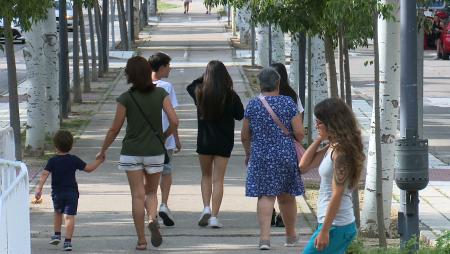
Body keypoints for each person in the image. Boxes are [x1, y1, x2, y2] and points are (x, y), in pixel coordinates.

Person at [96, 56, 179, 250]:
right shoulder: (160, 94)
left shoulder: (126, 97)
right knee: (151, 191)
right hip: (154, 151)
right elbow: (175, 121)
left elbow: (114, 129)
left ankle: (142, 241)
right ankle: (152, 218)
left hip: (131, 152)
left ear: (130, 75)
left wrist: (103, 149)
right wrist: (163, 135)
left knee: (137, 195)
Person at [241, 67, 305, 250]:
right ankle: (291, 235)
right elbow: (299, 133)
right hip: (285, 154)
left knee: (265, 195)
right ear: (278, 83)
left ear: (260, 84)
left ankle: (264, 239)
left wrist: (248, 153)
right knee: (286, 197)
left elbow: (245, 135)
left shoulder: (253, 105)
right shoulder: (287, 103)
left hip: (260, 155)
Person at [300, 98, 365, 254]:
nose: (316, 126)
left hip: (336, 225)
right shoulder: (333, 147)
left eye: (319, 123)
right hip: (335, 224)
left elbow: (337, 193)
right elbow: (303, 166)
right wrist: (320, 139)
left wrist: (325, 231)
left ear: (332, 123)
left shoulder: (341, 153)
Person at [187, 60, 244, 228]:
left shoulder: (199, 92)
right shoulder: (231, 95)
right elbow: (240, 115)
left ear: (207, 76)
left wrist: (205, 78)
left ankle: (206, 207)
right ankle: (214, 217)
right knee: (218, 179)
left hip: (204, 141)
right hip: (224, 143)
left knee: (206, 176)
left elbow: (190, 85)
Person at [34, 130, 104, 251]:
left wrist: (39, 188)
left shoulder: (52, 161)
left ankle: (56, 234)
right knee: (69, 217)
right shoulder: (74, 159)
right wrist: (99, 160)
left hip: (57, 194)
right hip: (72, 194)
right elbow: (89, 168)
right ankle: (67, 242)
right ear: (71, 146)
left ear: (55, 146)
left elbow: (45, 174)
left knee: (57, 212)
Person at [270, 62, 305, 228]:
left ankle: (269, 213)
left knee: (269, 182)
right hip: (288, 145)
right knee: (286, 184)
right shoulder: (293, 96)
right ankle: (284, 218)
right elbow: (300, 122)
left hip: (267, 145)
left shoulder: (263, 96)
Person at [148, 52, 181, 227]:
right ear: (161, 68)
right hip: (165, 139)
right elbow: (173, 117)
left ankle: (151, 214)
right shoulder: (166, 87)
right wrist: (175, 138)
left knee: (150, 175)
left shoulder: (141, 86)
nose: (170, 68)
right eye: (168, 66)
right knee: (166, 172)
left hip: (146, 141)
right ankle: (164, 204)